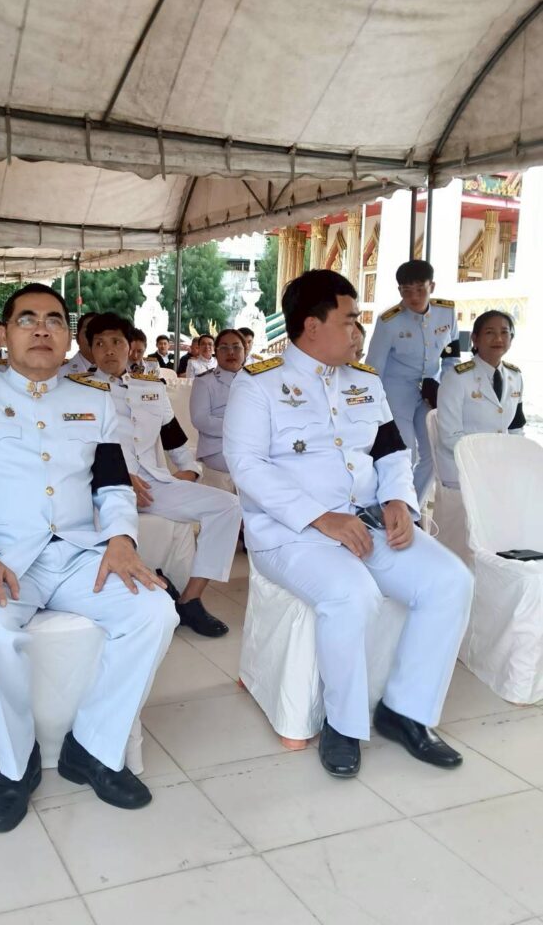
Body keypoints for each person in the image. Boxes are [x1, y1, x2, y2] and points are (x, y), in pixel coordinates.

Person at [0, 284, 177, 832]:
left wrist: (122, 539)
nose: (42, 329)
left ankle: (94, 747)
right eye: (27, 319)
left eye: (55, 320)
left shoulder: (94, 398)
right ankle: (17, 765)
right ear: (4, 333)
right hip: (3, 558)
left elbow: (112, 483)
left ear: (68, 338)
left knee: (155, 612)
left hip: (80, 552)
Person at [223, 269, 472, 779]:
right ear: (312, 326)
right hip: (291, 535)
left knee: (451, 581)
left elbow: (390, 451)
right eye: (350, 320)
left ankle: (405, 711)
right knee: (352, 594)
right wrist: (320, 518)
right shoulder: (258, 384)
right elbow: (246, 467)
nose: (359, 331)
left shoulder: (364, 381)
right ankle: (342, 723)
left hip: (368, 523)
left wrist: (398, 499)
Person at [87, 314, 242, 637]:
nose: (108, 350)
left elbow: (176, 441)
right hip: (104, 491)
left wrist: (190, 471)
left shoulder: (150, 389)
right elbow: (76, 451)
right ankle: (130, 604)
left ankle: (190, 599)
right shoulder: (79, 392)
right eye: (99, 343)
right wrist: (118, 477)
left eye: (116, 342)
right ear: (91, 350)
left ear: (130, 347)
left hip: (154, 484)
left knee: (228, 506)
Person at [366, 259, 460, 508]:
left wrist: (445, 389)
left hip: (430, 391)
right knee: (404, 453)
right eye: (406, 290)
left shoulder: (447, 312)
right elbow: (374, 367)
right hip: (396, 393)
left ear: (432, 287)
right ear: (399, 291)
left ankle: (411, 508)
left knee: (433, 454)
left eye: (420, 289)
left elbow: (451, 356)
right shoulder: (388, 321)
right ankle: (394, 507)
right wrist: (374, 406)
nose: (414, 296)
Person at [436, 310, 525, 488]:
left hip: (501, 467)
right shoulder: (456, 377)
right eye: (490, 332)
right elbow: (450, 436)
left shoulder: (515, 376)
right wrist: (490, 460)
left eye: (504, 332)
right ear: (475, 339)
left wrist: (516, 459)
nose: (498, 339)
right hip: (463, 470)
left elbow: (516, 427)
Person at [190, 328, 245, 473]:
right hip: (218, 448)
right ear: (216, 352)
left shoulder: (256, 380)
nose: (231, 352)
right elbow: (200, 419)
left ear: (245, 350)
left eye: (236, 347)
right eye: (224, 348)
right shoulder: (204, 382)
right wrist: (240, 428)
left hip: (254, 444)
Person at [60, 311, 96, 376]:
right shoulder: (59, 373)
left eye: (99, 332)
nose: (94, 337)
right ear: (77, 339)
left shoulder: (114, 372)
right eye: (88, 332)